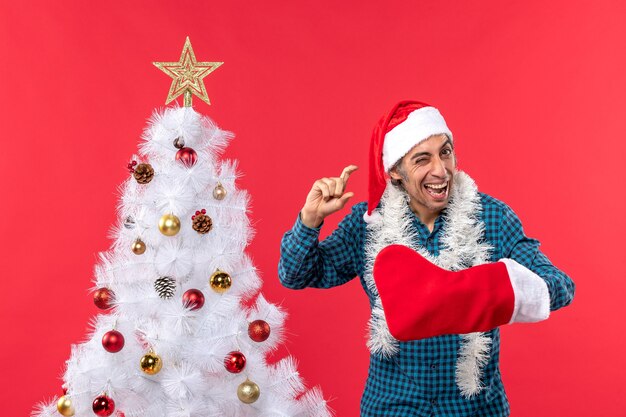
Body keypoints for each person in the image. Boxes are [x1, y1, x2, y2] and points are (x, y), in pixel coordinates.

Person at [278, 100, 575, 417]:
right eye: (423, 159)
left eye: (445, 152)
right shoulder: (367, 225)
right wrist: (309, 220)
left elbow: (559, 285)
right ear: (394, 172)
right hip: (393, 408)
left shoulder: (492, 217)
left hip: (475, 409)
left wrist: (492, 294)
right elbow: (295, 275)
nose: (440, 169)